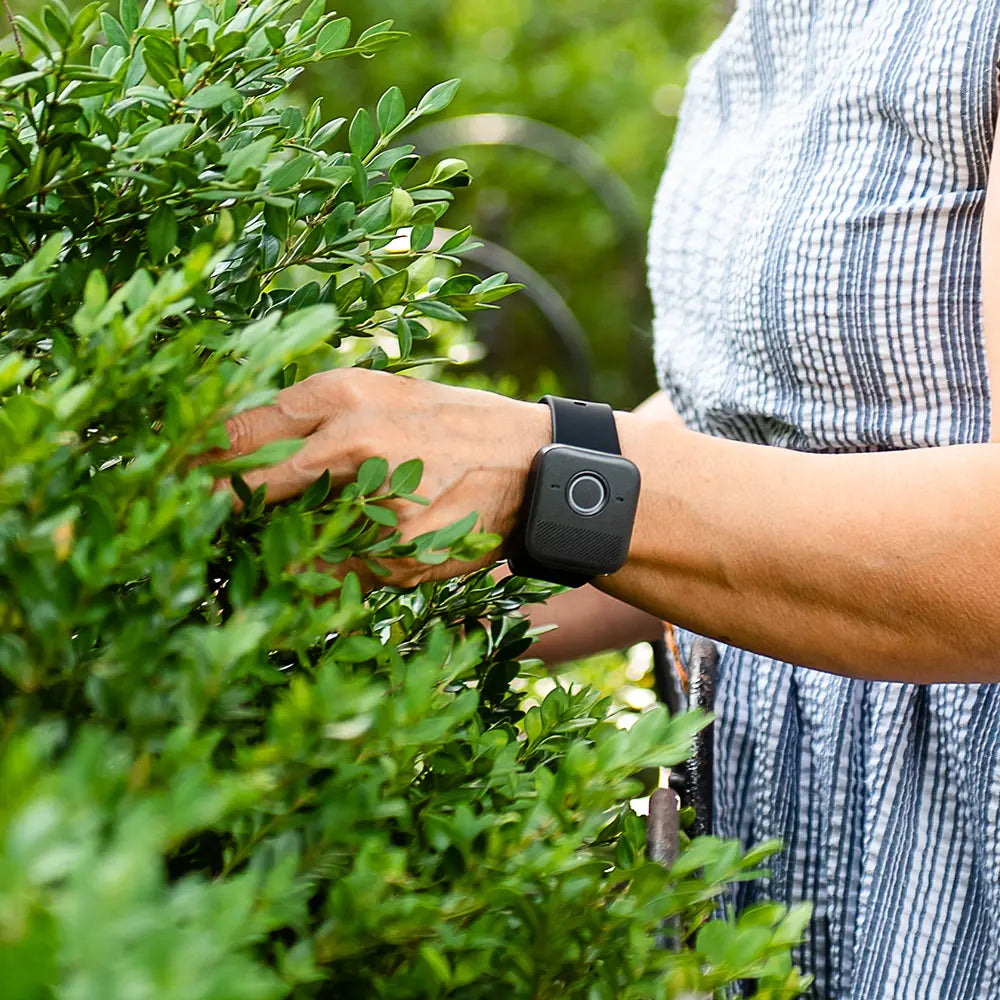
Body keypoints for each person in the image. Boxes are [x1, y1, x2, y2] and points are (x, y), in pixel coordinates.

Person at [213, 2, 1000, 996]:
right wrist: (392, 607)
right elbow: (758, 428)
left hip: (949, 847)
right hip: (764, 807)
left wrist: (542, 468)